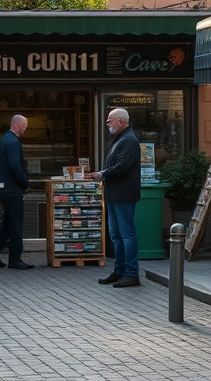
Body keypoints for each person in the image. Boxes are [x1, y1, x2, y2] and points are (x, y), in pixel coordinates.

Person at [88, 108, 141, 288]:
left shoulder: (128, 140)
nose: (108, 124)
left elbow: (123, 166)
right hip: (115, 194)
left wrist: (103, 174)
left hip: (123, 194)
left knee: (126, 235)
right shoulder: (121, 139)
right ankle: (120, 271)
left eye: (110, 120)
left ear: (121, 121)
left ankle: (131, 273)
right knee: (116, 235)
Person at [0, 114, 33, 271]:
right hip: (12, 189)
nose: (25, 129)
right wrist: (24, 182)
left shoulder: (4, 140)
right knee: (16, 223)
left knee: (8, 221)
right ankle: (15, 259)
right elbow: (14, 166)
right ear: (16, 125)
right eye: (24, 125)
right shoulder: (12, 142)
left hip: (3, 187)